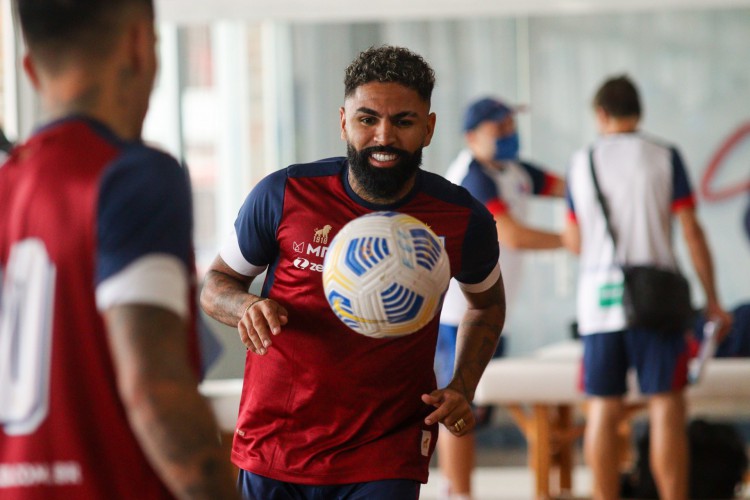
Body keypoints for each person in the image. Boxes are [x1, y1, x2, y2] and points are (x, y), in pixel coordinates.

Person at [200, 45, 506, 500]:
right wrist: (246, 305)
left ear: (428, 127)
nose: (384, 136)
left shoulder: (461, 218)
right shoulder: (284, 194)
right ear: (344, 121)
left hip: (387, 447)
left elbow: (487, 304)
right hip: (276, 443)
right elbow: (215, 285)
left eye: (403, 121)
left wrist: (463, 384)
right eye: (367, 119)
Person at [0, 1, 238, 499]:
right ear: (139, 45)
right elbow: (155, 393)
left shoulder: (8, 187)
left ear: (30, 68)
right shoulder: (131, 177)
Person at [562, 75, 732, 500]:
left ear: (601, 114)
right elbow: (692, 231)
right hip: (657, 299)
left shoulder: (580, 162)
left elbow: (574, 240)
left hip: (599, 303)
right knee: (666, 405)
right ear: (638, 111)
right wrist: (712, 298)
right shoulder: (664, 156)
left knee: (603, 406)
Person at [435, 97, 566, 500]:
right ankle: (457, 492)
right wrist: (569, 240)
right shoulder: (473, 178)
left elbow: (569, 187)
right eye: (500, 128)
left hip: (489, 309)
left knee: (475, 407)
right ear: (472, 136)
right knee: (456, 407)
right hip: (457, 316)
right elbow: (510, 233)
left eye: (512, 125)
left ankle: (461, 490)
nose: (510, 134)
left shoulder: (512, 169)